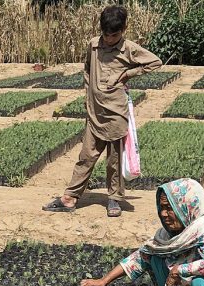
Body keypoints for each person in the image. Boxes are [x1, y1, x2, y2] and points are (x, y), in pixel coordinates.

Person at [44, 4, 161, 217]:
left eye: (114, 35)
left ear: (124, 29)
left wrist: (128, 74)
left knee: (114, 160)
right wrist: (89, 96)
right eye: (105, 34)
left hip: (116, 112)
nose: (108, 39)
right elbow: (87, 70)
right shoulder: (93, 45)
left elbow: (155, 62)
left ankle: (114, 198)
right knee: (86, 155)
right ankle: (70, 197)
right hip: (95, 112)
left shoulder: (129, 48)